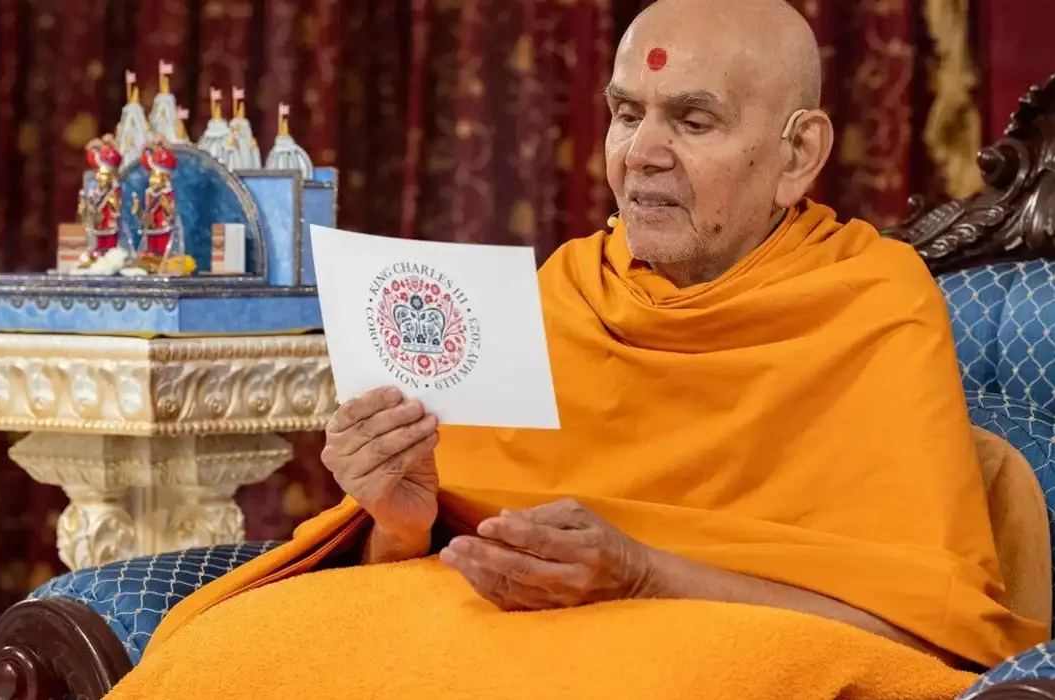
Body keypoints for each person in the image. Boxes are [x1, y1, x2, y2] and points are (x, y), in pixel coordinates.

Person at [106, 0, 1048, 697]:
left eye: (692, 119)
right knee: (220, 658)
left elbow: (921, 635)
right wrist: (397, 515)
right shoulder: (565, 290)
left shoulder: (871, 303)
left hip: (703, 652)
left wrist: (642, 572)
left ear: (798, 155)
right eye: (626, 112)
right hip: (485, 641)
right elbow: (444, 554)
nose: (639, 153)